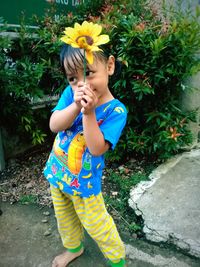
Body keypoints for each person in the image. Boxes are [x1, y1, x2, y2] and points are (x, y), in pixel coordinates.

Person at [44, 42, 127, 267]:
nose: (81, 85)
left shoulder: (116, 111)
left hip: (85, 185)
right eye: (73, 79)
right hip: (58, 174)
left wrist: (88, 113)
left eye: (88, 73)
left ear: (109, 66)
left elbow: (97, 148)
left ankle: (117, 260)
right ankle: (74, 248)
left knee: (98, 225)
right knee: (65, 220)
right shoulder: (70, 95)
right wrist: (75, 106)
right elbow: (54, 125)